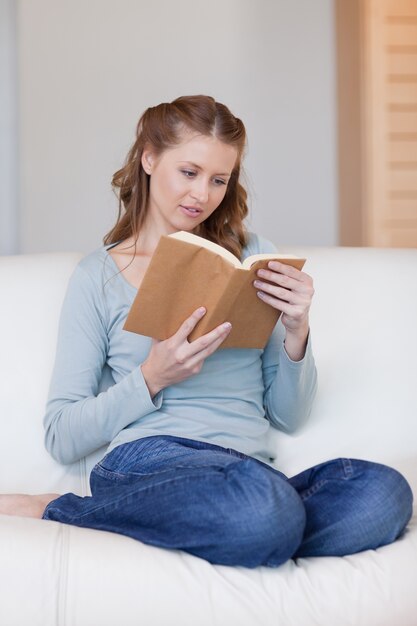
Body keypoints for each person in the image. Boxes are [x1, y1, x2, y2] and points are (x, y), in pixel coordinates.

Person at [0, 95, 412, 568]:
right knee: (263, 510)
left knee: (384, 494)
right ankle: (64, 510)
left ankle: (258, 528)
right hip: (150, 461)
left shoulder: (255, 255)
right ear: (149, 159)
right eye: (189, 172)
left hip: (248, 473)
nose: (203, 195)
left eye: (219, 180)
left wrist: (296, 331)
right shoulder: (98, 276)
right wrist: (152, 377)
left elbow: (289, 417)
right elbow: (62, 435)